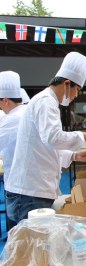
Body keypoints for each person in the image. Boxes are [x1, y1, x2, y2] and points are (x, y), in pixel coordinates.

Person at [7, 52, 86, 226]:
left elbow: (44, 146)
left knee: (35, 247)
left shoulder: (48, 102)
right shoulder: (45, 101)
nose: (76, 95)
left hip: (35, 190)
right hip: (30, 192)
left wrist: (74, 156)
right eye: (77, 89)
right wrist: (84, 136)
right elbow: (52, 138)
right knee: (29, 249)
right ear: (67, 84)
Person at [0, 71, 27, 228]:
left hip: (19, 189)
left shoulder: (12, 118)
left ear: (5, 100)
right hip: (28, 187)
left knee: (19, 240)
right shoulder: (26, 113)